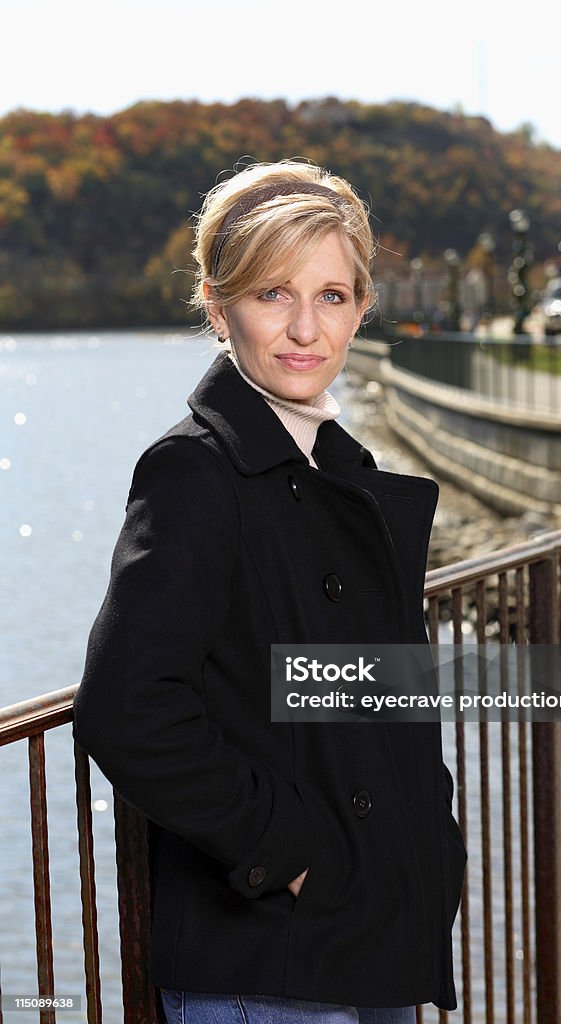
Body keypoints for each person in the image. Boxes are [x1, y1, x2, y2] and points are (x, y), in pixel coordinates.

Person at [73, 160, 466, 1024]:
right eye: (270, 294)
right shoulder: (195, 471)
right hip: (265, 957)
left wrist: (424, 838)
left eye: (331, 296)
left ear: (362, 308)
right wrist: (284, 852)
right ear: (218, 308)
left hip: (364, 924)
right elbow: (127, 706)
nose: (303, 329)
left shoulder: (336, 469)